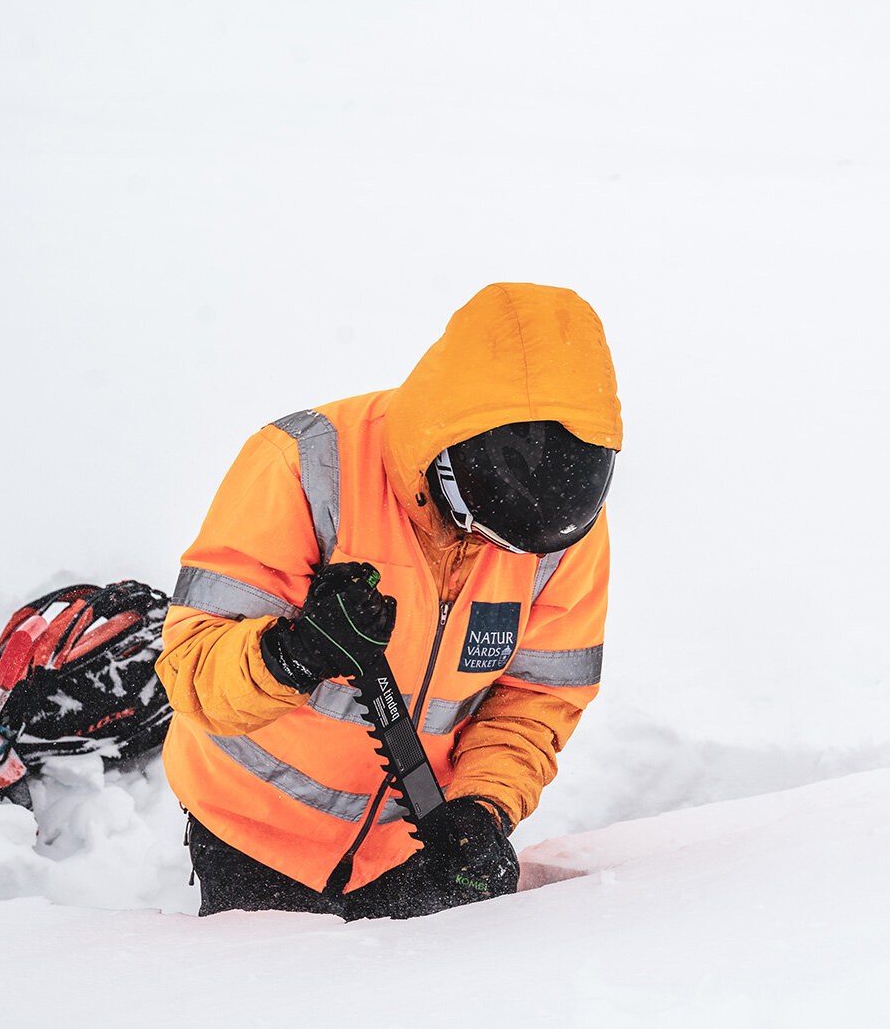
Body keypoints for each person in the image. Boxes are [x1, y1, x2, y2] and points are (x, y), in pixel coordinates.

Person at [155, 281, 623, 919]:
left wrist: (484, 805)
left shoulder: (556, 527)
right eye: (481, 526)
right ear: (448, 464)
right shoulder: (305, 466)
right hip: (251, 830)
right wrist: (295, 653)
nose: (500, 554)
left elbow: (540, 697)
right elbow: (193, 676)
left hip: (411, 842)